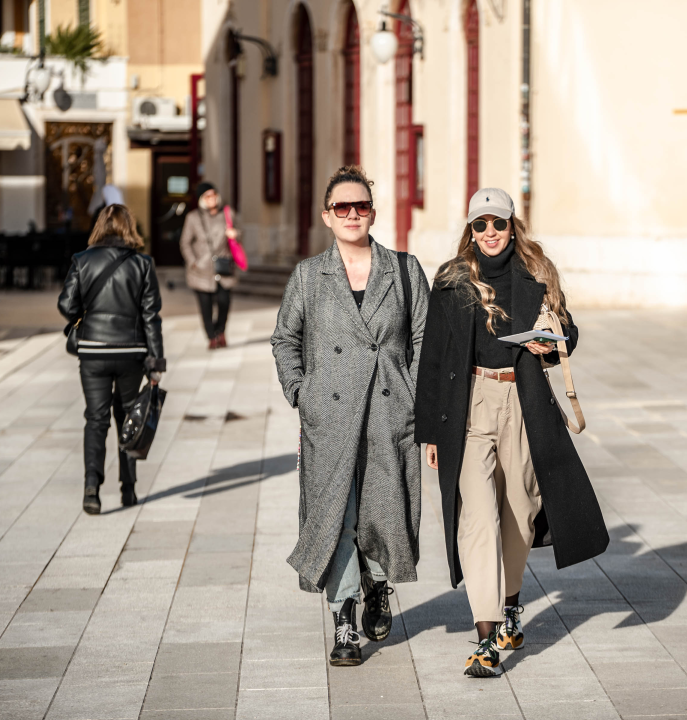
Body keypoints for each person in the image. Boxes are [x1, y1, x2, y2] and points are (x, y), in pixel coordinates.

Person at [415, 188, 610, 677]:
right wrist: (430, 432)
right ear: (470, 229)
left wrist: (551, 342)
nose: (489, 233)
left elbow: (570, 333)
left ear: (511, 223)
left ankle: (510, 601)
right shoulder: (453, 281)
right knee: (477, 518)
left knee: (520, 515)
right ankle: (487, 635)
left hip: (523, 404)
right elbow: (434, 357)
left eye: (497, 223)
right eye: (480, 225)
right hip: (470, 406)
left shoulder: (536, 274)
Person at [271, 166, 429, 667]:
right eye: (343, 207)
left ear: (373, 213)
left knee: (385, 513)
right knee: (336, 519)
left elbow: (424, 341)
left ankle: (378, 585)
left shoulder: (404, 269)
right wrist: (302, 392)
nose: (353, 214)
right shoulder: (308, 275)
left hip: (389, 413)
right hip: (331, 419)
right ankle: (343, 620)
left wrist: (419, 403)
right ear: (327, 216)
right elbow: (285, 340)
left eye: (361, 206)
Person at [58, 205, 165, 515]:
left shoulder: (81, 260)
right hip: (130, 351)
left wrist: (84, 317)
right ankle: (128, 488)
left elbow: (66, 305)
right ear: (129, 227)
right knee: (129, 416)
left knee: (96, 418)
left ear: (100, 226)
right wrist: (156, 363)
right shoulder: (143, 264)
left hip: (92, 351)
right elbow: (151, 317)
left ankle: (92, 488)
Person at [180, 181, 239, 349]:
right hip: (201, 269)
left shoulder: (228, 214)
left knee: (224, 301)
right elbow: (185, 243)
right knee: (205, 306)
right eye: (208, 196)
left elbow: (239, 236)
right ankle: (211, 336)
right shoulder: (192, 218)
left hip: (223, 266)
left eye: (214, 195)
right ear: (201, 199)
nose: (212, 199)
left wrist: (235, 234)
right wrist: (193, 262)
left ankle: (220, 331)